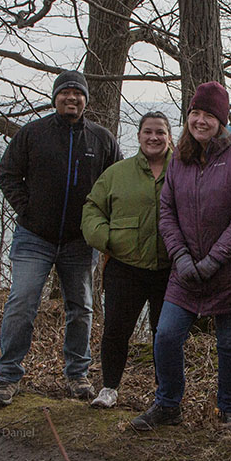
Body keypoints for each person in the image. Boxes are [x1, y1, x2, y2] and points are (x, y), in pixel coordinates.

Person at [130, 82, 231, 431]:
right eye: (195, 113)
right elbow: (167, 211)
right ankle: (168, 404)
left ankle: (230, 410)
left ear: (222, 119)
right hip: (187, 270)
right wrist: (181, 257)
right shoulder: (180, 157)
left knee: (230, 342)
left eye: (209, 114)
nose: (201, 120)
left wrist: (214, 260)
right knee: (166, 335)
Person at [0, 69, 122, 406]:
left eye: (78, 94)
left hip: (80, 242)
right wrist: (27, 209)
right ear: (55, 98)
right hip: (35, 236)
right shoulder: (33, 134)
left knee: (81, 309)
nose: (71, 99)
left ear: (86, 100)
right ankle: (7, 376)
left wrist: (101, 226)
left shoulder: (101, 139)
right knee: (22, 302)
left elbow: (117, 186)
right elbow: (7, 174)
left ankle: (77, 375)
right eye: (65, 93)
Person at [81, 111, 173, 409]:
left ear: (169, 136)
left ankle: (165, 394)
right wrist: (106, 239)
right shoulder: (117, 173)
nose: (154, 137)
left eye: (160, 132)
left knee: (166, 335)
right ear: (138, 136)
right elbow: (92, 209)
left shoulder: (184, 170)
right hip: (124, 267)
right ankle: (109, 388)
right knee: (116, 330)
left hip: (170, 269)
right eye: (148, 131)